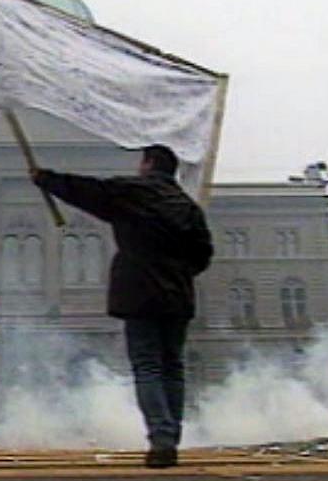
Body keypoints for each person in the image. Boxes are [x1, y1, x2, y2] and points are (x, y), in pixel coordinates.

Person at [31, 145, 213, 468]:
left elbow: (89, 192)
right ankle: (170, 436)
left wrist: (46, 179)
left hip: (140, 292)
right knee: (173, 366)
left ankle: (161, 439)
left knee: (148, 366)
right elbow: (203, 254)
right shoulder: (188, 207)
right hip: (178, 296)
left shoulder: (133, 193)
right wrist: (179, 273)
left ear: (147, 164)